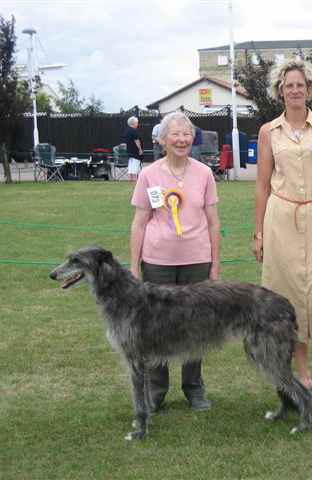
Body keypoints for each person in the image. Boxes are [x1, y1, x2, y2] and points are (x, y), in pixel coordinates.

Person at [253, 59, 312, 415]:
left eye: (300, 84)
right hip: (282, 220)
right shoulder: (268, 132)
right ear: (279, 90)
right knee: (288, 300)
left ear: (309, 88)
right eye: (288, 85)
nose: (295, 90)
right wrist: (259, 233)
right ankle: (304, 378)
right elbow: (262, 185)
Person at [130, 111, 221, 414]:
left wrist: (215, 263)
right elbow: (140, 223)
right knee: (155, 328)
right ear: (162, 139)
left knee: (195, 327)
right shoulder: (149, 175)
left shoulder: (204, 173)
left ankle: (194, 389)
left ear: (192, 139)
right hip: (157, 263)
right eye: (175, 134)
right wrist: (133, 266)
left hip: (197, 260)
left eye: (186, 134)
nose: (181, 139)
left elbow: (213, 222)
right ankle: (157, 391)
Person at [124, 116, 144, 182]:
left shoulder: (127, 131)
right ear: (133, 123)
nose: (137, 124)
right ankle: (134, 179)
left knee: (131, 163)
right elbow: (137, 141)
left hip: (129, 149)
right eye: (137, 123)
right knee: (135, 163)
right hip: (135, 150)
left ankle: (131, 178)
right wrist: (140, 149)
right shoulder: (134, 131)